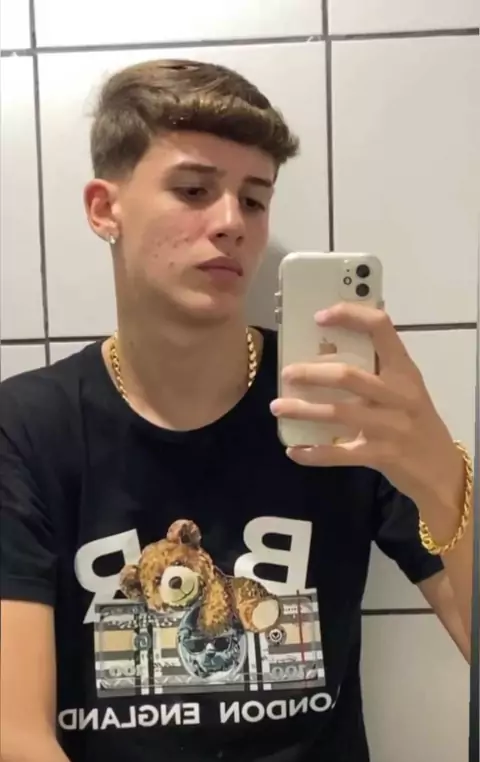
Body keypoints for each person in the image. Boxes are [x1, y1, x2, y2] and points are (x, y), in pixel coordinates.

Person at [0, 58, 473, 762]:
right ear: (104, 208)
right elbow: (14, 733)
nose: (231, 223)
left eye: (254, 200)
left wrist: (438, 471)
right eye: (194, 190)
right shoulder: (26, 428)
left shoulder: (335, 402)